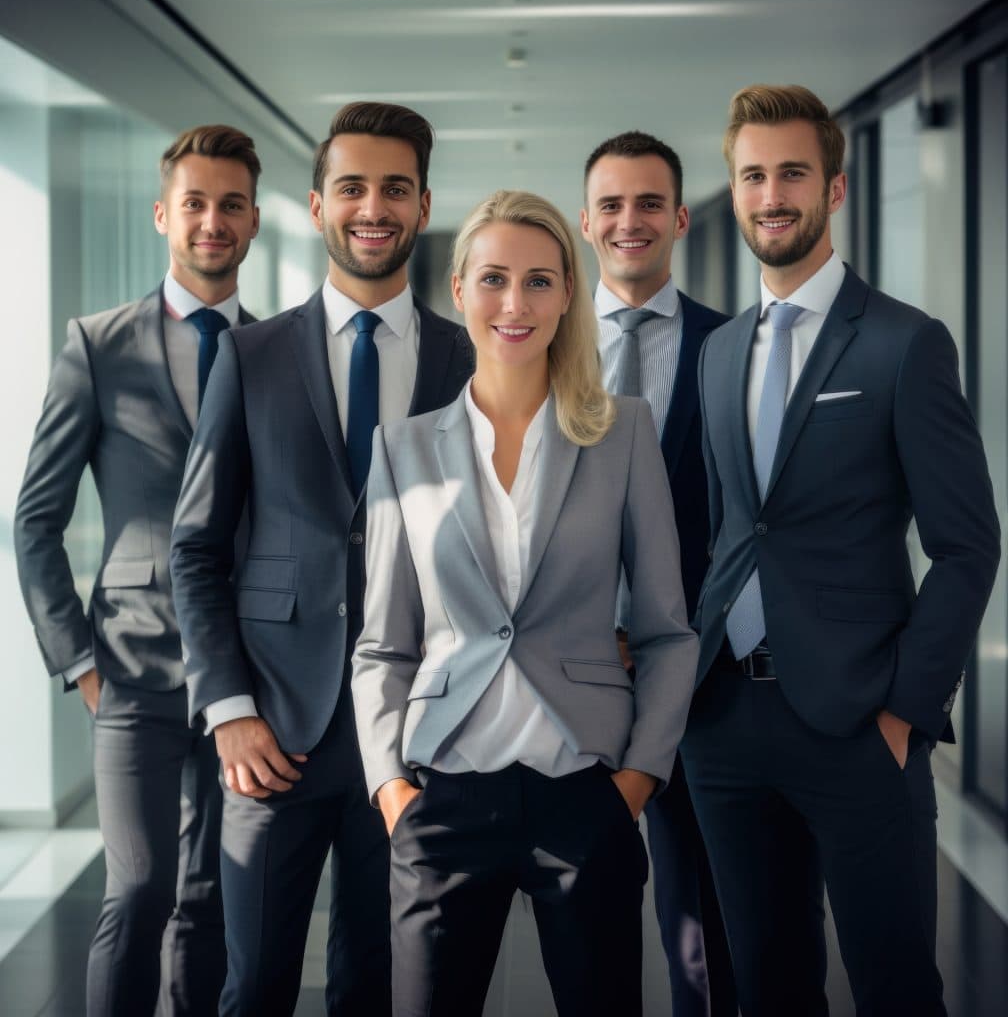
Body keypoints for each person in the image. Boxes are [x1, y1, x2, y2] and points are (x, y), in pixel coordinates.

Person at [681, 84, 1001, 1016]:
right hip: (724, 720)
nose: (770, 194)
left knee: (897, 986)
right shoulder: (719, 351)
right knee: (767, 986)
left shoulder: (905, 344)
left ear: (835, 189)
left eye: (791, 173)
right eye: (752, 175)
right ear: (735, 191)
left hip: (860, 724)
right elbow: (729, 530)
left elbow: (968, 544)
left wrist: (906, 706)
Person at [351, 189, 700, 1017]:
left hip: (585, 791)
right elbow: (382, 646)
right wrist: (392, 793)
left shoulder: (623, 434)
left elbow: (666, 631)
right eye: (495, 279)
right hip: (442, 798)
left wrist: (639, 779)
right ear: (460, 288)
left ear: (568, 294)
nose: (516, 303)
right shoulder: (402, 449)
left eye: (540, 281)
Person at [169, 102, 472, 1016]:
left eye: (393, 188)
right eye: (352, 187)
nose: (371, 207)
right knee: (253, 983)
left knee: (377, 985)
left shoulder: (470, 360)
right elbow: (196, 547)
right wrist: (226, 710)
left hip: (419, 736)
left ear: (423, 204)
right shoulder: (250, 355)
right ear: (315, 205)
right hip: (270, 734)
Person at [13, 125, 261, 1016]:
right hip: (130, 671)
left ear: (255, 220)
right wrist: (77, 662)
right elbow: (35, 519)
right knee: (142, 889)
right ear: (164, 214)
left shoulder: (275, 352)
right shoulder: (97, 344)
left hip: (247, 673)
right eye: (194, 203)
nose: (211, 221)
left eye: (230, 204)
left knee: (212, 904)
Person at [581, 131, 736, 1016]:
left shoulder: (733, 346)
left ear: (678, 219)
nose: (629, 221)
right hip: (569, 674)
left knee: (701, 933)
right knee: (586, 924)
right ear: (586, 221)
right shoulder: (541, 349)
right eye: (612, 204)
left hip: (700, 682)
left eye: (648, 204)